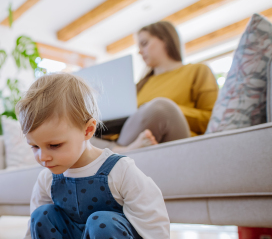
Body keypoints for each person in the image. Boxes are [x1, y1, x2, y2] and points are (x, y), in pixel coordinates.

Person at [13, 73, 170, 239]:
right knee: (40, 217)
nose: (43, 157)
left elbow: (156, 229)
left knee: (101, 222)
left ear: (88, 130)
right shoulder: (47, 179)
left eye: (54, 145)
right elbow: (33, 233)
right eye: (34, 147)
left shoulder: (121, 171)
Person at [94, 21, 219, 153]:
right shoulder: (140, 85)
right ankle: (121, 151)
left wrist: (166, 109)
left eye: (144, 44)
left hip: (174, 140)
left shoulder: (198, 71)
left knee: (161, 107)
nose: (139, 52)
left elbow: (211, 119)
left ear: (165, 39)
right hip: (127, 142)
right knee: (79, 130)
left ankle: (119, 154)